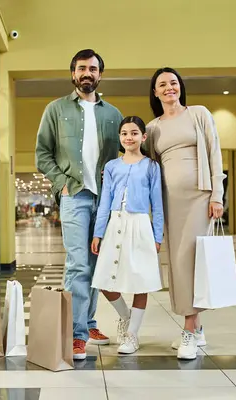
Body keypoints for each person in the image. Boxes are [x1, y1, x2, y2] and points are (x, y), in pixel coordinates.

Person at [35, 49, 124, 360]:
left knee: (97, 262)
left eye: (93, 69)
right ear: (73, 73)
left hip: (105, 200)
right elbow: (42, 154)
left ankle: (88, 322)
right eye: (82, 68)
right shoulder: (55, 110)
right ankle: (76, 334)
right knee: (77, 264)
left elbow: (120, 159)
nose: (88, 73)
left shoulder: (113, 115)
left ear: (101, 75)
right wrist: (62, 185)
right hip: (75, 196)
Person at [145, 67, 225, 360]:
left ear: (180, 87)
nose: (169, 88)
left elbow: (215, 153)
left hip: (199, 199)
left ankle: (189, 330)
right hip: (169, 204)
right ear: (155, 92)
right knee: (177, 264)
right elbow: (149, 168)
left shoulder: (198, 114)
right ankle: (198, 327)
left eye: (173, 83)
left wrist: (217, 194)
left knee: (192, 262)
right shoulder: (153, 128)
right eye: (162, 84)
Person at [91, 116, 164, 355]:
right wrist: (98, 233)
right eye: (124, 133)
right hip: (115, 225)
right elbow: (104, 203)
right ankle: (126, 317)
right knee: (104, 279)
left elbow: (157, 203)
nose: (128, 137)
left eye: (134, 133)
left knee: (140, 282)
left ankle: (132, 335)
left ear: (143, 137)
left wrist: (158, 235)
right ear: (120, 138)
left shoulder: (151, 166)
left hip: (140, 225)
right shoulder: (112, 167)